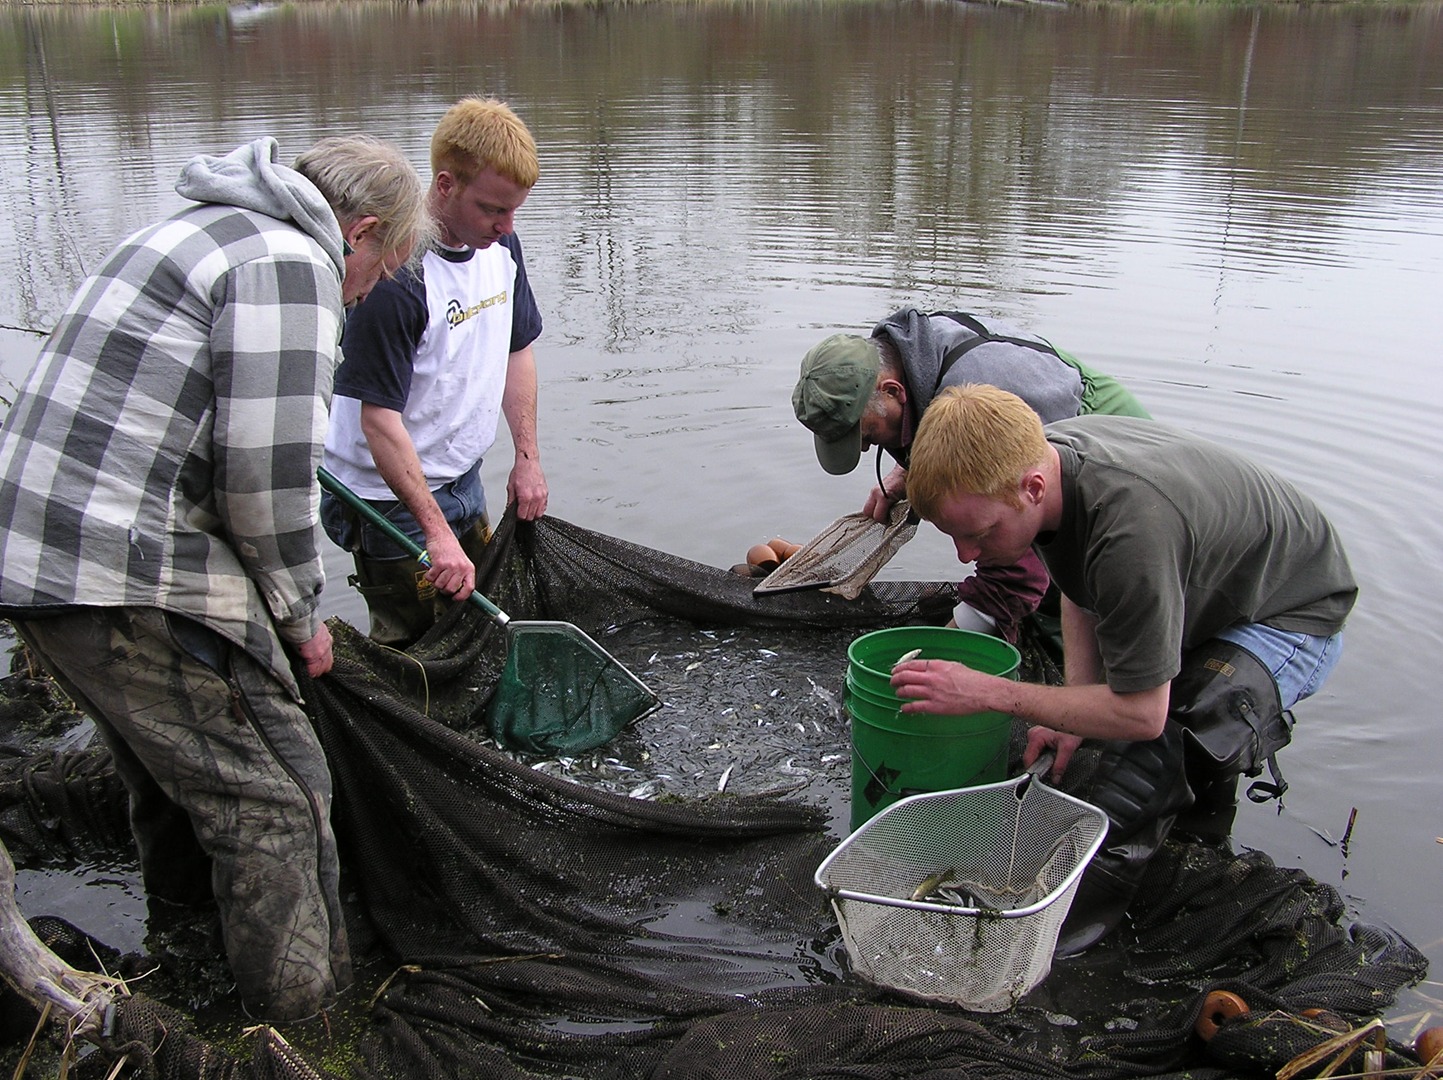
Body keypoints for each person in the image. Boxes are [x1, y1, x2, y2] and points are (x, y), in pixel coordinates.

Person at [0, 135, 432, 1021]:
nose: (373, 289)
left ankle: (188, 953)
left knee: (177, 775)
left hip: (38, 558)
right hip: (122, 564)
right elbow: (266, 481)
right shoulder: (288, 263)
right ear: (362, 231)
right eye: (382, 269)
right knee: (278, 796)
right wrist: (303, 619)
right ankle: (305, 1023)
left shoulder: (198, 226)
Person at [894, 384, 1356, 954]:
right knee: (1131, 728)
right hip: (1209, 585)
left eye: (978, 533)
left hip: (1292, 610)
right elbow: (1079, 587)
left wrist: (989, 692)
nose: (966, 554)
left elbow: (1140, 714)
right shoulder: (1039, 466)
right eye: (955, 536)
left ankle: (1052, 941)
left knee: (1156, 748)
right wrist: (1073, 704)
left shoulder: (1129, 529)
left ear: (1032, 488)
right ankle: (1198, 847)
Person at [321, 97, 548, 648]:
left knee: (478, 634)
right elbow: (378, 421)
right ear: (444, 186)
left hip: (462, 479)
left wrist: (527, 461)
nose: (506, 225)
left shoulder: (501, 246)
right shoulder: (394, 276)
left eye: (514, 210)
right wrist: (435, 532)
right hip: (387, 501)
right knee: (421, 648)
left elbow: (518, 349)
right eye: (493, 208)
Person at [791, 308, 1149, 642]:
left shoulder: (976, 396)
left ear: (893, 391)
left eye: (867, 434)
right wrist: (906, 471)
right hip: (1038, 433)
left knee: (1068, 594)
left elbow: (1015, 565)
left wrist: (946, 645)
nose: (867, 448)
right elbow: (928, 414)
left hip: (1109, 443)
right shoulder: (909, 357)